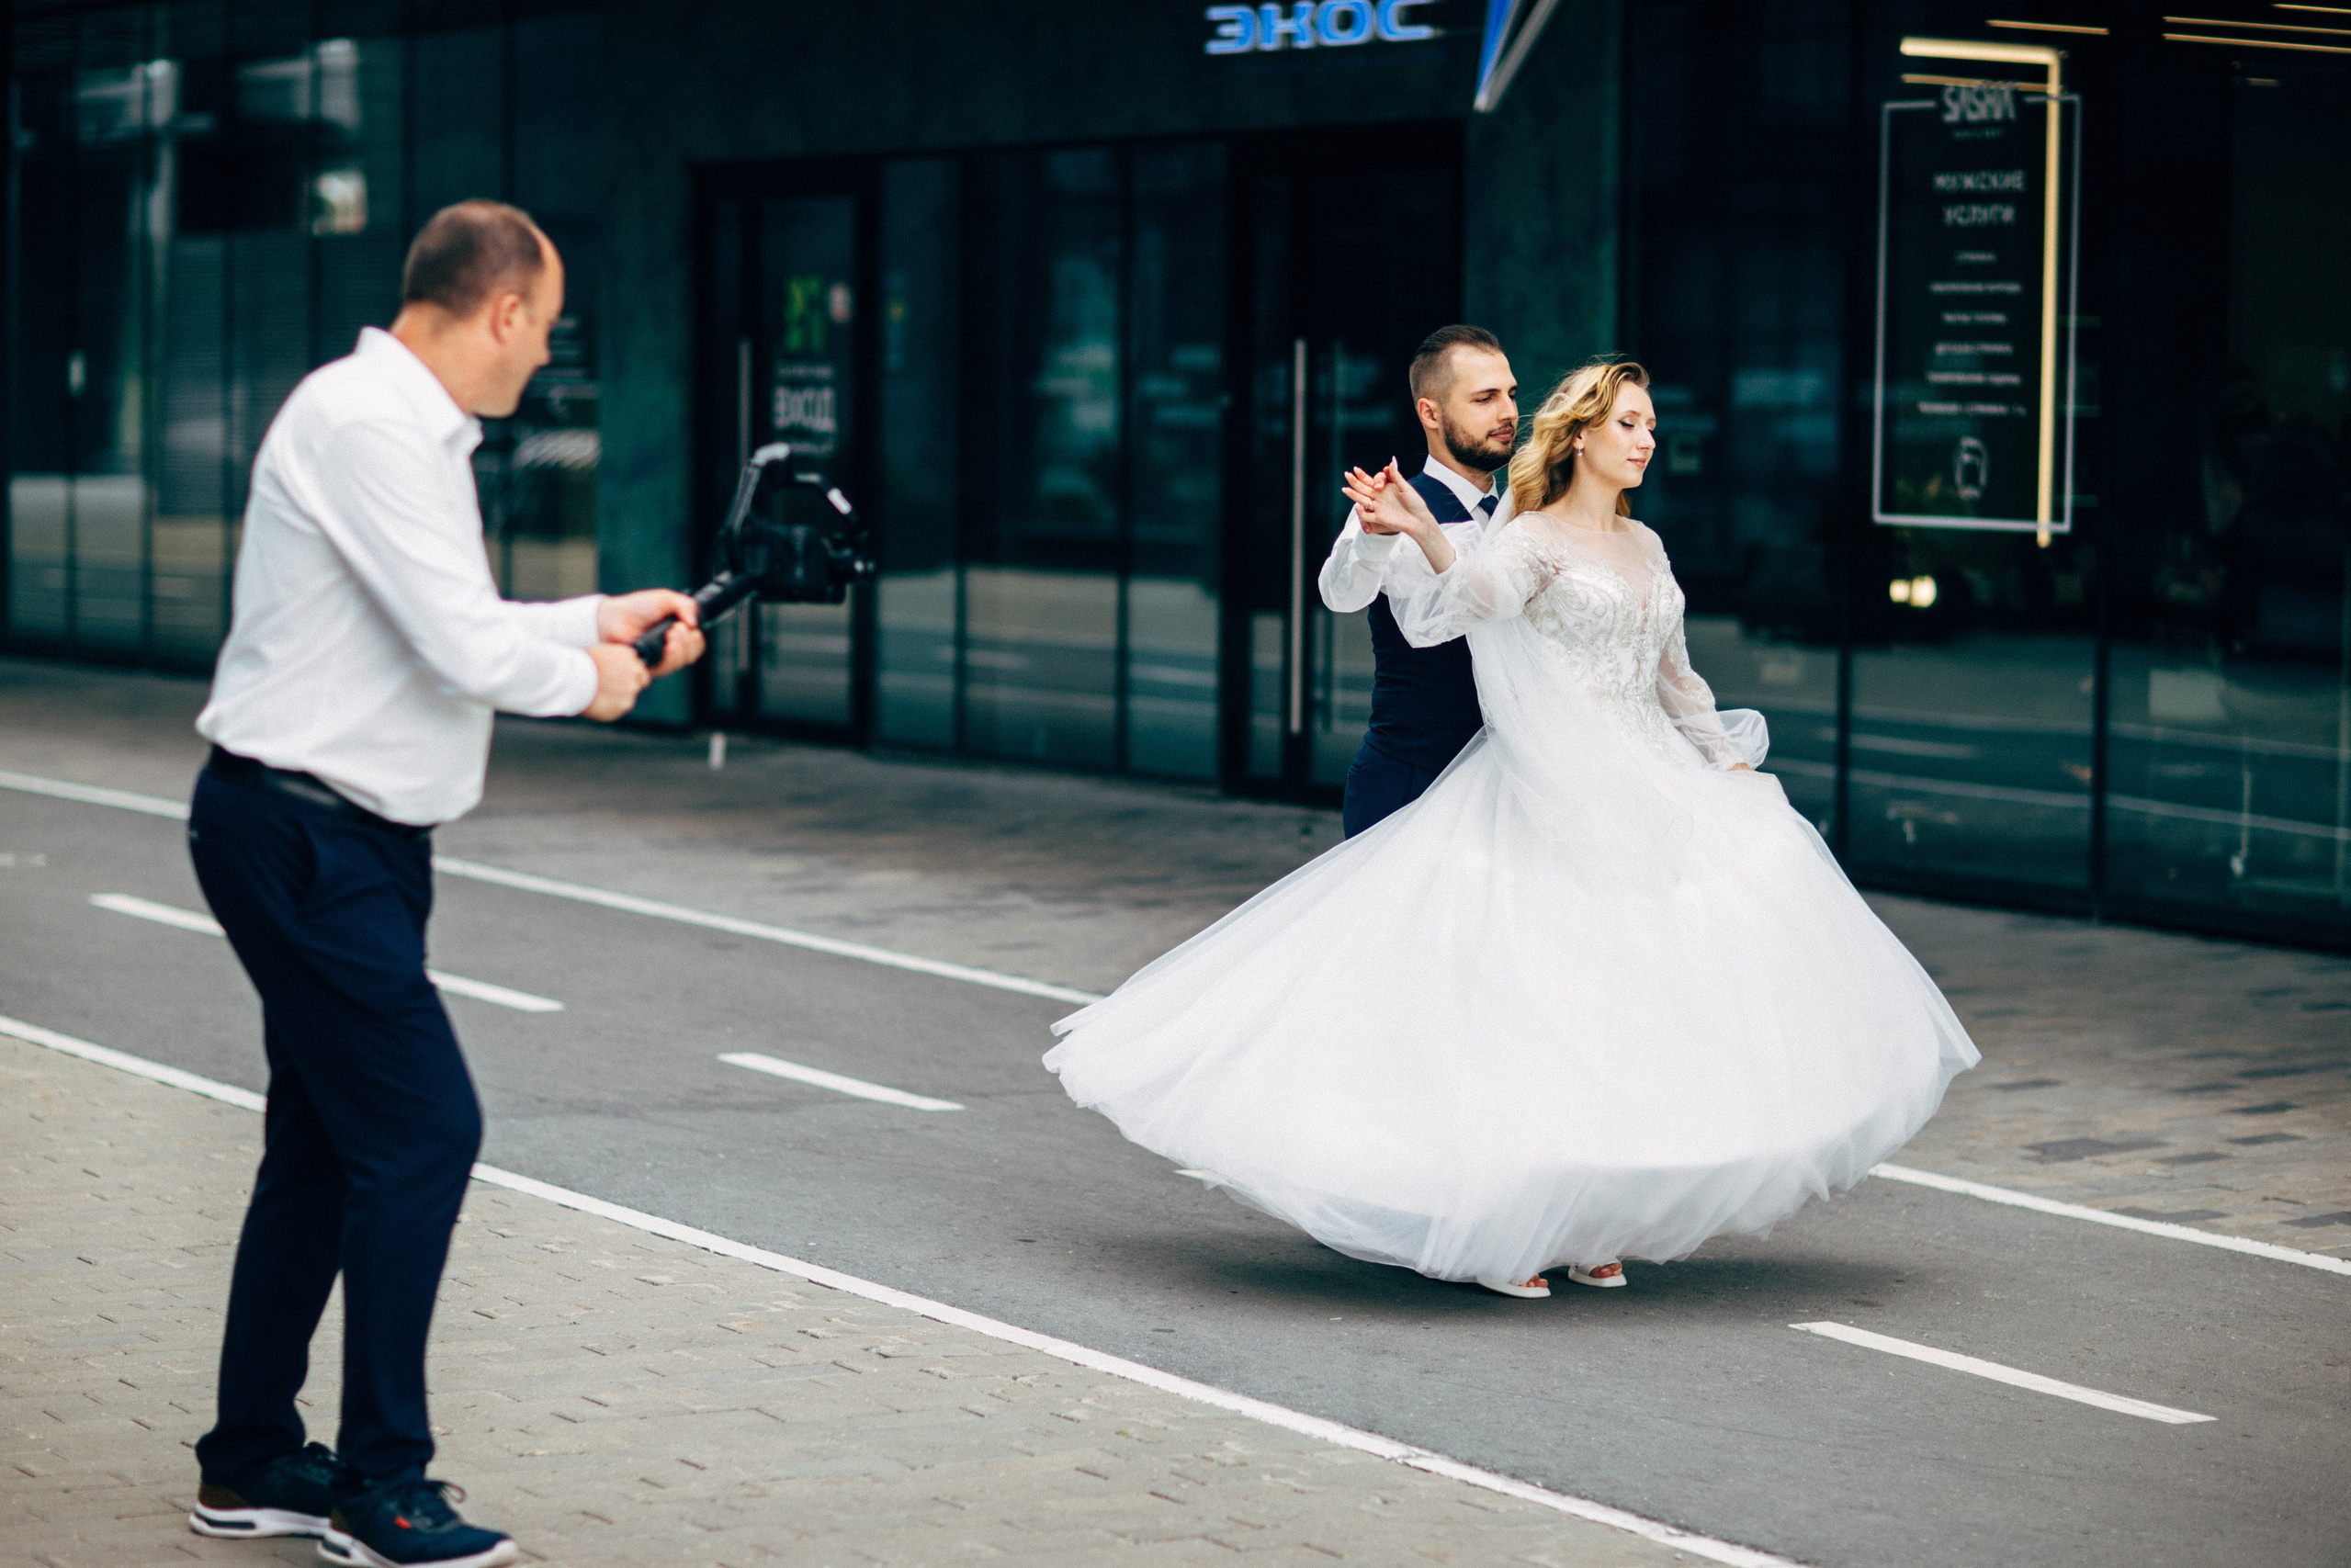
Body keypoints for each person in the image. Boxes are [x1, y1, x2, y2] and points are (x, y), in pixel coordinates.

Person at [1046, 358, 1977, 1301]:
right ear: (1443, 411)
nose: (1507, 412)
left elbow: (1674, 673)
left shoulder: (1632, 542)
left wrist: (1729, 769)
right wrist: (1402, 529)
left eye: (1511, 397)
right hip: (1473, 782)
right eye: (1628, 423)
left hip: (1629, 785)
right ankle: (1469, 1208)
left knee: (1616, 1009)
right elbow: (1429, 610)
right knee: (1473, 1015)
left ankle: (1590, 1213)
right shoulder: (1497, 530)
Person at [182, 200, 704, 1568]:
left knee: (325, 1138)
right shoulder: (368, 421)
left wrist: (593, 618)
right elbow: (461, 647)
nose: (542, 362)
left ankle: (250, 1461)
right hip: (304, 833)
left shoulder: (399, 425)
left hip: (341, 835)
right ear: (503, 311)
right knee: (422, 1132)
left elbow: (443, 623)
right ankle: (381, 1487)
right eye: (545, 330)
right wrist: (592, 682)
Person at [1317, 324, 1519, 838]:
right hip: (1413, 785)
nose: (1507, 413)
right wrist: (1374, 536)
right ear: (1430, 413)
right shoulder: (1395, 504)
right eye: (1484, 398)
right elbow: (1340, 596)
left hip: (1513, 787)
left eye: (1511, 394)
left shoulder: (1529, 513)